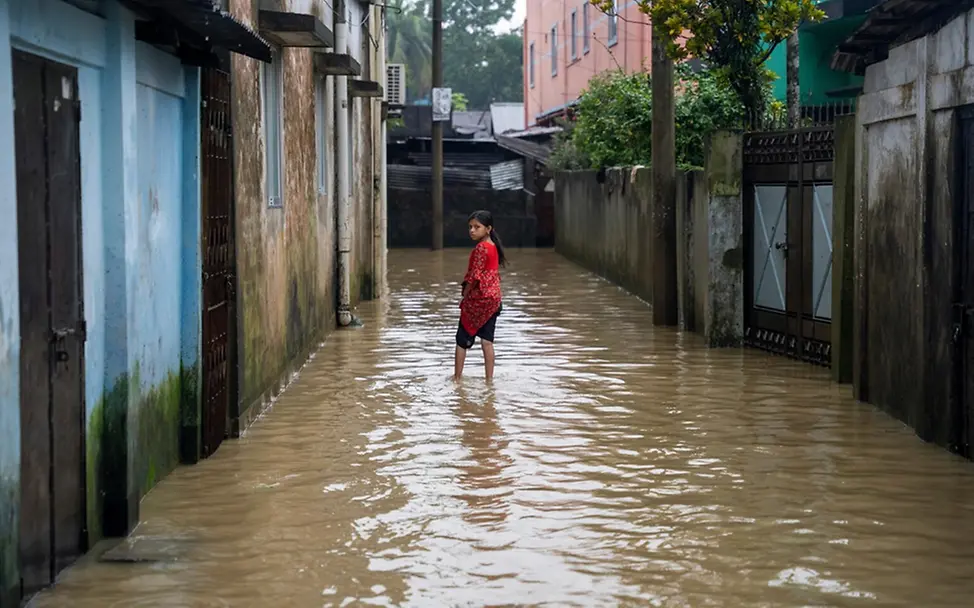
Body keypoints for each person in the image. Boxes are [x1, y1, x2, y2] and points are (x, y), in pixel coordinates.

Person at [454, 210, 506, 381]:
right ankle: (489, 381)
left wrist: (465, 294)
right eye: (470, 227)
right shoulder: (493, 246)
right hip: (494, 299)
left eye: (477, 227)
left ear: (488, 228)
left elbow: (474, 276)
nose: (472, 231)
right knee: (487, 341)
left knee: (462, 340)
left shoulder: (481, 248)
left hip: (479, 299)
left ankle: (457, 377)